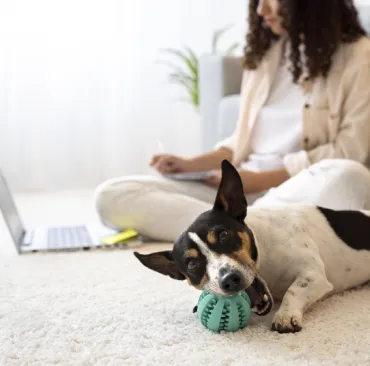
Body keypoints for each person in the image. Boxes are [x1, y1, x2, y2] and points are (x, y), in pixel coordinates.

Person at [95, 0, 370, 242]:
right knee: (113, 195)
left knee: (350, 177)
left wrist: (257, 181)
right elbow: (239, 144)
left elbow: (349, 152)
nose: (262, 10)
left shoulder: (359, 56)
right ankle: (248, 231)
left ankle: (225, 231)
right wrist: (189, 165)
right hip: (237, 194)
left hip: (296, 191)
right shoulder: (266, 58)